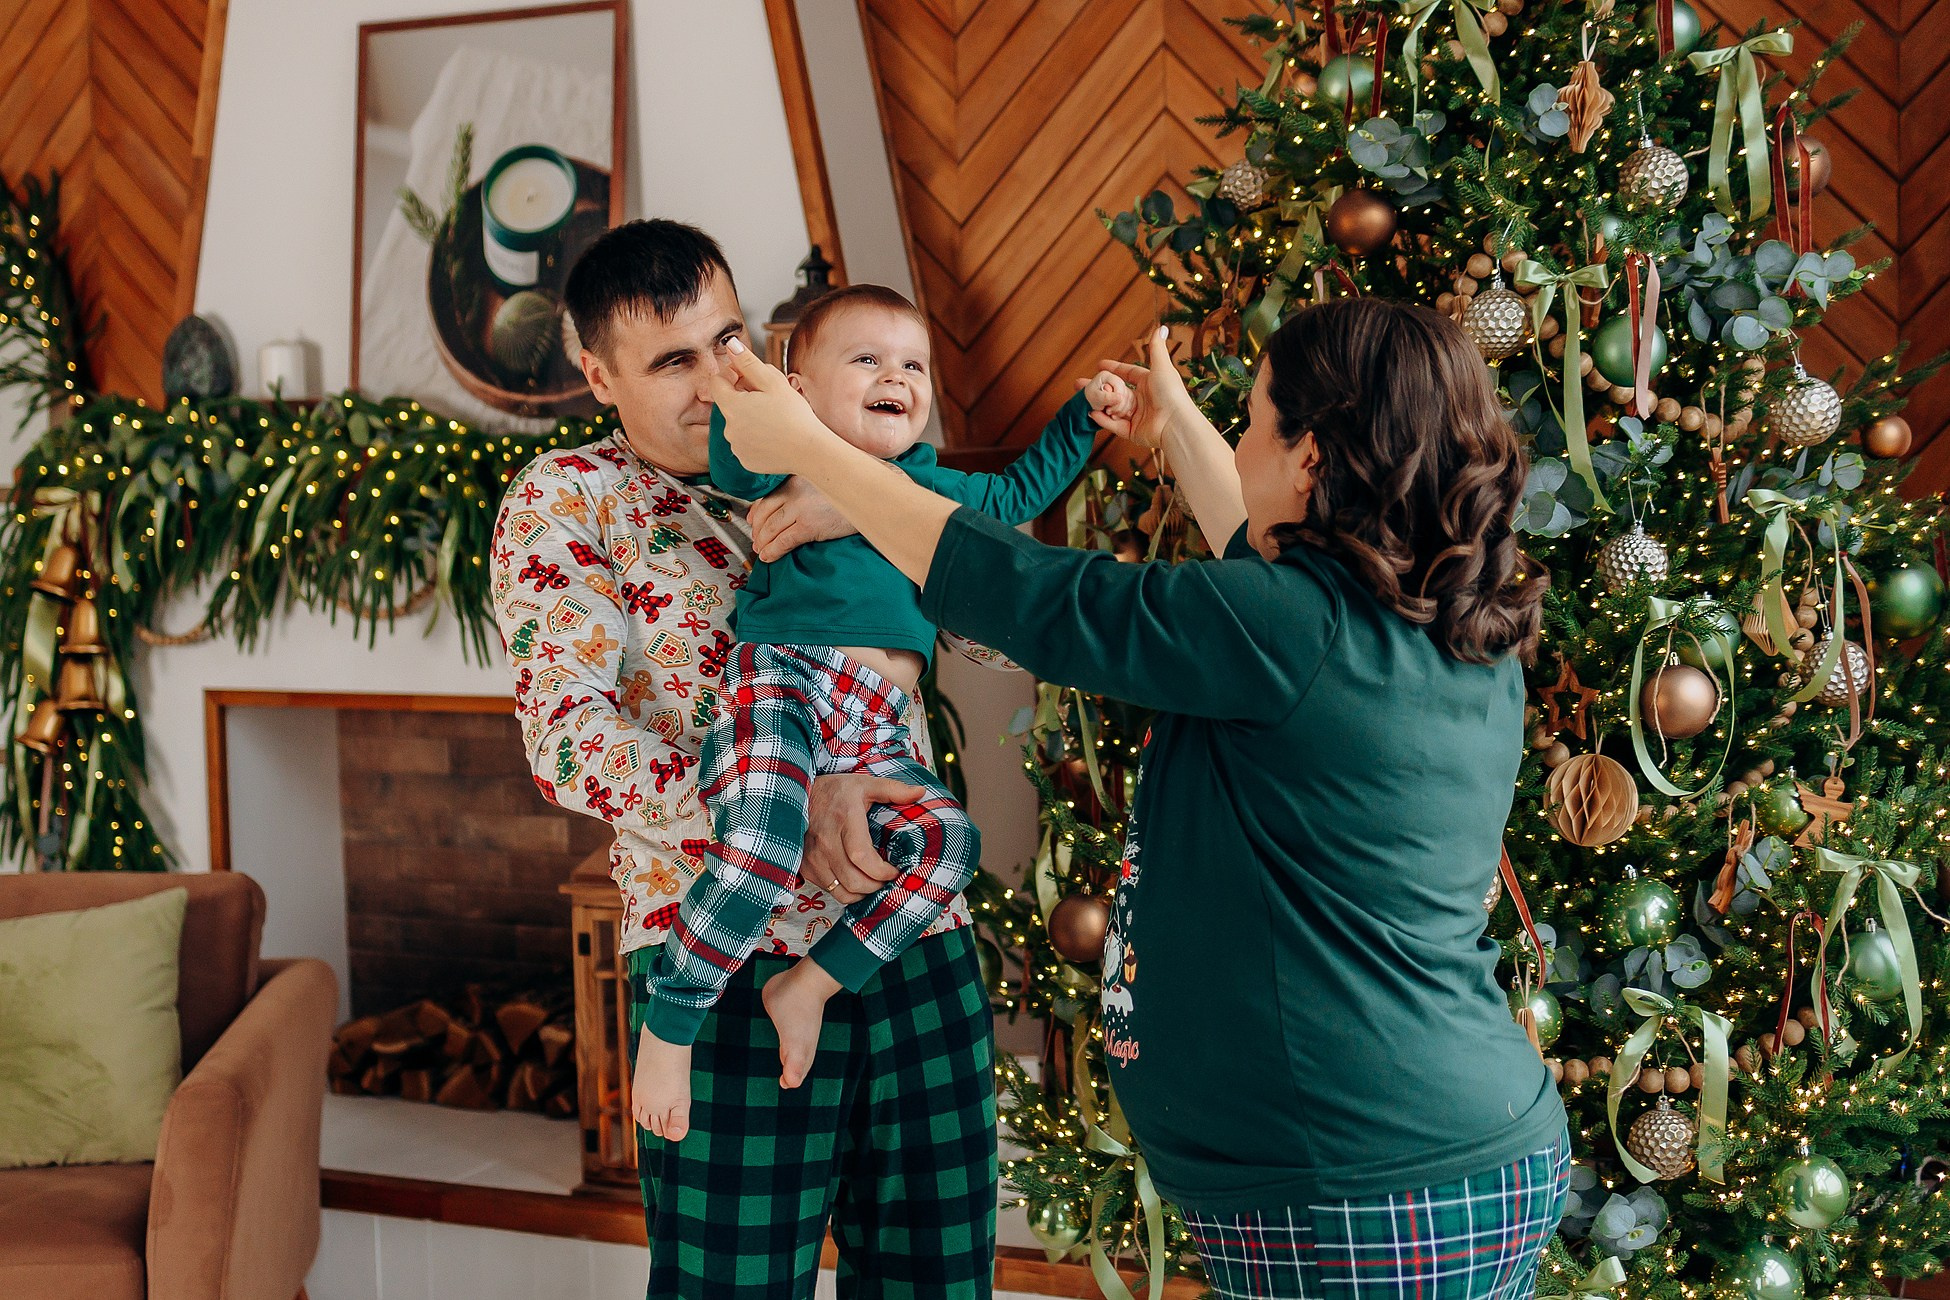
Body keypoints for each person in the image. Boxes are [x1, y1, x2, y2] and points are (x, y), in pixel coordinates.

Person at [709, 298, 1573, 1300]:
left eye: (1249, 423)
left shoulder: (1288, 628)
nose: (1236, 445)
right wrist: (1177, 428)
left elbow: (1031, 592)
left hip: (1359, 1187)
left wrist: (817, 454)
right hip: (1428, 1155)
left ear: (1310, 461)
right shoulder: (1429, 612)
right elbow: (1255, 551)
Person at [490, 220, 1001, 1297]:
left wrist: (882, 497)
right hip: (719, 967)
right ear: (597, 374)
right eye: (670, 361)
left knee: (940, 1282)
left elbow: (997, 630)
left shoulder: (841, 447)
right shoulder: (569, 499)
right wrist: (788, 804)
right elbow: (570, 743)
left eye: (725, 341)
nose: (713, 379)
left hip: (911, 939)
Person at [632, 282, 1132, 1139]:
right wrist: (745, 390)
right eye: (866, 359)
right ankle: (671, 1025)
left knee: (949, 845)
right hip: (784, 681)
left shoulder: (927, 485)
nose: (896, 375)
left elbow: (1013, 499)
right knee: (759, 843)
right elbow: (734, 460)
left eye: (913, 364)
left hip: (878, 721)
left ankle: (813, 985)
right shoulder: (786, 461)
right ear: (804, 390)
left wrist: (1084, 417)